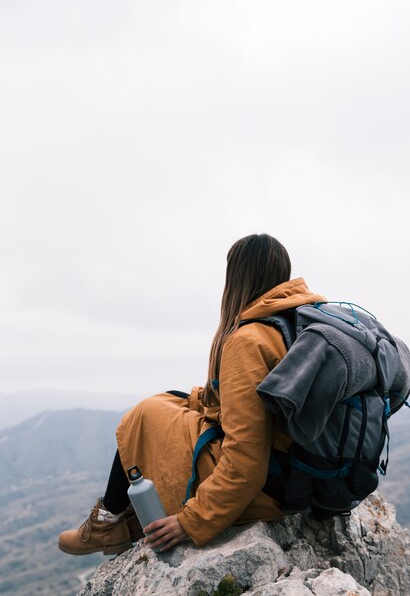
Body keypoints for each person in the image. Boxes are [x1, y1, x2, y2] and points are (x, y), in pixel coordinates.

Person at [58, 234, 326, 555]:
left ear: (236, 278)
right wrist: (198, 398)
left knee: (145, 413)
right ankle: (121, 520)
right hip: (300, 476)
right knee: (170, 400)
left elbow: (246, 463)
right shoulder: (298, 322)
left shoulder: (248, 339)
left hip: (268, 489)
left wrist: (190, 521)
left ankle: (107, 522)